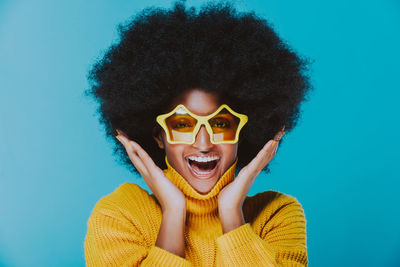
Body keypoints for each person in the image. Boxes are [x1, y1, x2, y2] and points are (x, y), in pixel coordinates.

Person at [83, 1, 312, 266]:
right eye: (182, 124)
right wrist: (172, 212)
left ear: (242, 131)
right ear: (159, 135)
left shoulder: (277, 215)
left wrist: (231, 215)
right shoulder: (120, 214)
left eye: (221, 124)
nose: (203, 144)